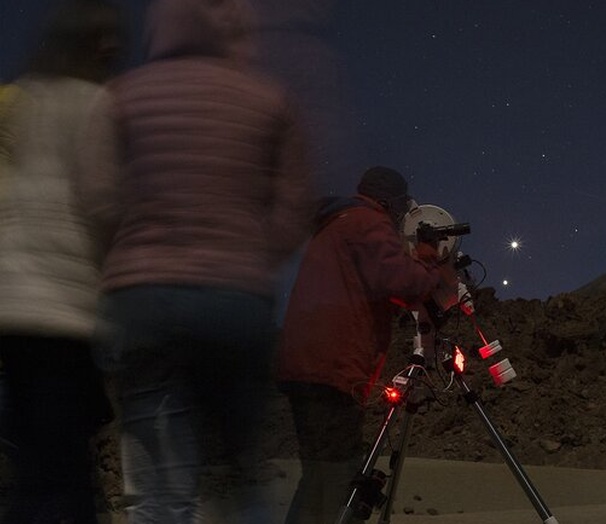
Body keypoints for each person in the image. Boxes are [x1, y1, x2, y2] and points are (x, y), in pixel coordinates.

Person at [77, 0, 313, 521]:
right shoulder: (268, 98)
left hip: (144, 299)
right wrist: (251, 253)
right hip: (235, 297)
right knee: (241, 468)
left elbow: (97, 198)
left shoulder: (123, 96)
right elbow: (295, 207)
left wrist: (135, 248)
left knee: (156, 481)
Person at [0, 1, 122, 522]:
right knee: (60, 468)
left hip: (8, 302)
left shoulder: (11, 100)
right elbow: (107, 205)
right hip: (63, 308)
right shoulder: (98, 105)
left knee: (32, 458)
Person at [276, 166, 450, 524]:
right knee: (341, 482)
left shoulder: (340, 223)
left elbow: (378, 281)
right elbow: (404, 282)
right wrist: (429, 258)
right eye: (402, 205)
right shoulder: (368, 223)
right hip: (331, 369)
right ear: (388, 201)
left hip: (306, 365)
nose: (404, 213)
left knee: (319, 478)